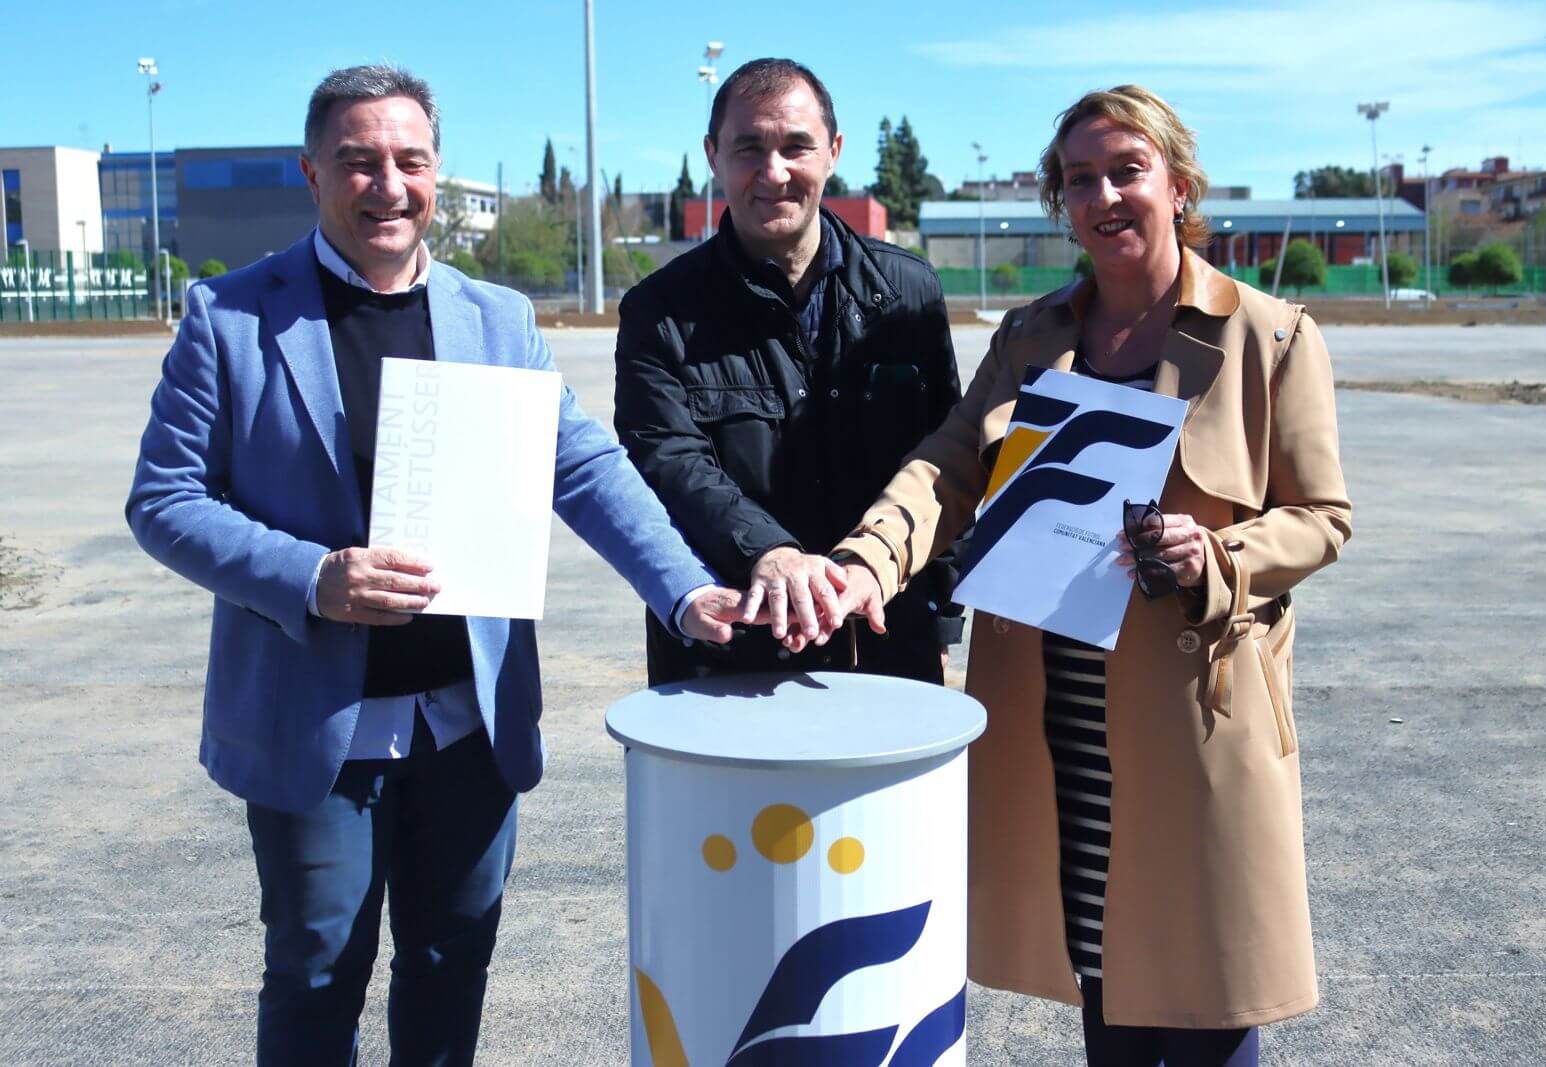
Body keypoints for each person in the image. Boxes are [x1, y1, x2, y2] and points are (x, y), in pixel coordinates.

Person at [125, 64, 752, 1064]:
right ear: (312, 173)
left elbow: (583, 465)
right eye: (358, 161)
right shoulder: (231, 317)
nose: (387, 185)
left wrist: (683, 588)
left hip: (467, 724)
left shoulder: (495, 318)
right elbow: (163, 499)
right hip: (315, 724)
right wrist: (311, 574)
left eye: (408, 161)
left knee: (453, 960)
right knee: (317, 970)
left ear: (435, 174)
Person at [826, 85, 1353, 1065]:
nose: (1103, 194)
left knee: (1202, 994)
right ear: (1057, 202)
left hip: (1191, 721)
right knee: (1104, 986)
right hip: (1054, 714)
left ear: (1179, 186)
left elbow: (1323, 518)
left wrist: (1219, 554)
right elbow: (947, 464)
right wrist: (868, 558)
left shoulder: (1268, 336)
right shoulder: (1029, 335)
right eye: (1078, 179)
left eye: (1126, 170)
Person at [612, 57, 964, 686]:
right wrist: (769, 554)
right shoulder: (659, 312)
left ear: (833, 152)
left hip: (885, 643)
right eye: (749, 148)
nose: (773, 173)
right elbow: (668, 461)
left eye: (796, 147)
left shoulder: (909, 293)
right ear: (713, 157)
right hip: (730, 656)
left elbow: (945, 466)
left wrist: (940, 623)